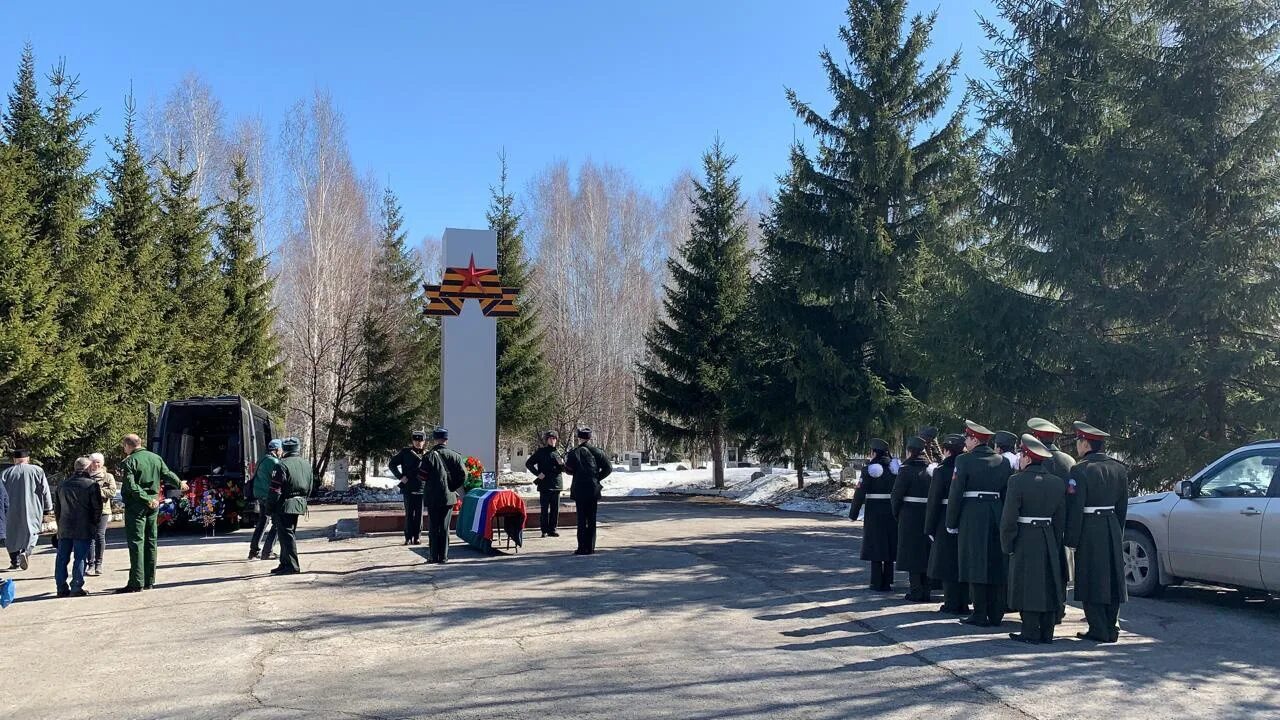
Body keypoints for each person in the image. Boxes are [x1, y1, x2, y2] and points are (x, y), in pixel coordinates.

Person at [1066, 421, 1129, 643]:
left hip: (1089, 528)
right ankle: (1111, 627)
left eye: (1078, 442)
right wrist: (1116, 531)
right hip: (1111, 525)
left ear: (1085, 443)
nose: (1078, 446)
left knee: (1091, 578)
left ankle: (1098, 628)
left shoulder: (1080, 470)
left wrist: (1071, 538)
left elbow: (1075, 507)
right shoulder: (1119, 468)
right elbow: (1122, 506)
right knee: (1111, 579)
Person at [1000, 435, 1067, 644]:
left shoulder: (1016, 481)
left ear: (1028, 458)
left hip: (1026, 536)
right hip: (1048, 535)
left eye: (1021, 455)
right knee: (1048, 582)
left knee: (1027, 583)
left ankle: (1029, 631)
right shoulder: (1056, 483)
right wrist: (1056, 541)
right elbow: (1060, 517)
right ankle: (1047, 631)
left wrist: (1007, 543)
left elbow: (1009, 517)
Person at [947, 421, 1012, 627]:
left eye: (967, 437)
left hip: (972, 514)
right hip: (996, 512)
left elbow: (956, 492)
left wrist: (951, 521)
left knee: (975, 562)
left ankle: (979, 613)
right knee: (995, 562)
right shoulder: (1003, 461)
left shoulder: (964, 460)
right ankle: (996, 613)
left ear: (975, 439)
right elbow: (1006, 493)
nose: (965, 441)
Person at [116, 434, 183, 593]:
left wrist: (146, 499)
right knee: (151, 540)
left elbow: (131, 487)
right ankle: (149, 580)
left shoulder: (130, 461)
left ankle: (136, 582)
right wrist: (179, 483)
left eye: (124, 446)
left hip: (137, 505)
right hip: (154, 503)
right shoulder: (155, 458)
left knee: (137, 542)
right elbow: (167, 474)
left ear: (127, 445)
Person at [1027, 417, 1076, 623]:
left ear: (1036, 438)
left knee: (1039, 567)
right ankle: (1060, 605)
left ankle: (1039, 609)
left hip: (1037, 523)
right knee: (1061, 563)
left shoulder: (1036, 460)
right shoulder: (1069, 461)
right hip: (1062, 520)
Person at [927, 434, 969, 615]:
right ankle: (964, 602)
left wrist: (929, 526)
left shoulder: (942, 470)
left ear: (946, 451)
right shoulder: (968, 467)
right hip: (966, 517)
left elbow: (934, 500)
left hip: (944, 517)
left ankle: (951, 602)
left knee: (947, 562)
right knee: (963, 561)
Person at [848, 439, 898, 591]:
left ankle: (876, 581)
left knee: (876, 545)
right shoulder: (895, 469)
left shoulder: (869, 469)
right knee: (889, 544)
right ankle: (888, 580)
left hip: (874, 511)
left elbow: (859, 493)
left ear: (874, 453)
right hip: (891, 510)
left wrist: (853, 513)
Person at [52, 457, 104, 597]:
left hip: (65, 526)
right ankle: (76, 586)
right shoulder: (91, 485)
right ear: (87, 468)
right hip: (84, 526)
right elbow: (97, 509)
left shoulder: (62, 485)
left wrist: (59, 526)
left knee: (62, 557)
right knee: (80, 557)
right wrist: (94, 524)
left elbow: (57, 509)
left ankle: (61, 587)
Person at [891, 436, 932, 602]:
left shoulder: (906, 469)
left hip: (909, 515)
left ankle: (916, 590)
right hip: (928, 513)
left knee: (912, 554)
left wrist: (897, 513)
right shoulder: (932, 470)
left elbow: (896, 495)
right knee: (926, 553)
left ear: (910, 451)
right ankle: (927, 590)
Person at [416, 428, 466, 564]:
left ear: (434, 439)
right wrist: (452, 487)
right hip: (448, 497)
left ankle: (433, 556)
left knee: (433, 526)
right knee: (445, 527)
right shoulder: (455, 456)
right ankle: (443, 556)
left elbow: (421, 476)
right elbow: (463, 475)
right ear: (446, 439)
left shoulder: (429, 456)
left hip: (432, 496)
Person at [267, 437, 314, 575]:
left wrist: (270, 507)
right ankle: (284, 562)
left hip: (284, 504)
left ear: (285, 449)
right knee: (286, 534)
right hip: (300, 502)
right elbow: (311, 486)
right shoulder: (306, 464)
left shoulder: (281, 465)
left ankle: (292, 566)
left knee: (286, 535)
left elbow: (275, 489)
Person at [565, 427, 612, 556]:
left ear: (579, 438)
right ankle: (590, 547)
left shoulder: (574, 453)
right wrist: (597, 478)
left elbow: (569, 470)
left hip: (579, 489)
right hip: (593, 489)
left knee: (581, 519)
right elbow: (608, 468)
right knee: (591, 518)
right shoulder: (598, 452)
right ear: (590, 438)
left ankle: (581, 548)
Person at [3, 449, 52, 571]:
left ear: (14, 460)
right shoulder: (37, 470)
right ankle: (26, 551)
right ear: (28, 459)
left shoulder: (5, 473)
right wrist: (48, 508)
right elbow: (45, 490)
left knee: (12, 533)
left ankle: (15, 560)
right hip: (33, 506)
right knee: (32, 530)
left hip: (10, 508)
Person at [388, 431, 428, 546]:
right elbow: (392, 464)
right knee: (409, 513)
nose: (418, 443)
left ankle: (417, 537)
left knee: (419, 514)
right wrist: (401, 477)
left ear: (424, 442)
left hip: (421, 487)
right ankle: (408, 537)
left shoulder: (427, 454)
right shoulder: (406, 452)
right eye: (416, 440)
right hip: (408, 487)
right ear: (412, 441)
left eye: (420, 441)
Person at [526, 430, 567, 537]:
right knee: (544, 509)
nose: (552, 440)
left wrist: (562, 464)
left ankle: (552, 529)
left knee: (555, 509)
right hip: (544, 484)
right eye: (550, 438)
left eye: (554, 438)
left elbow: (565, 469)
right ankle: (544, 530)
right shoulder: (541, 452)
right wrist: (538, 474)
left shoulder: (559, 452)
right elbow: (529, 463)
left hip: (556, 484)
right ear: (546, 440)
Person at [248, 440, 283, 560]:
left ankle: (253, 550)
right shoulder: (274, 461)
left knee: (263, 521)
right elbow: (280, 477)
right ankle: (267, 551)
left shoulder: (262, 459)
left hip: (259, 494)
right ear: (277, 449)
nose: (282, 452)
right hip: (268, 496)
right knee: (278, 522)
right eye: (281, 449)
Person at [87, 452, 117, 577]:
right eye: (94, 462)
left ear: (102, 463)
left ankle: (99, 563)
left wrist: (98, 491)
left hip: (103, 510)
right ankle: (91, 564)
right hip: (88, 510)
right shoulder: (86, 476)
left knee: (99, 535)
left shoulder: (108, 476)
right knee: (89, 537)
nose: (96, 464)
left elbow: (112, 492)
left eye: (98, 462)